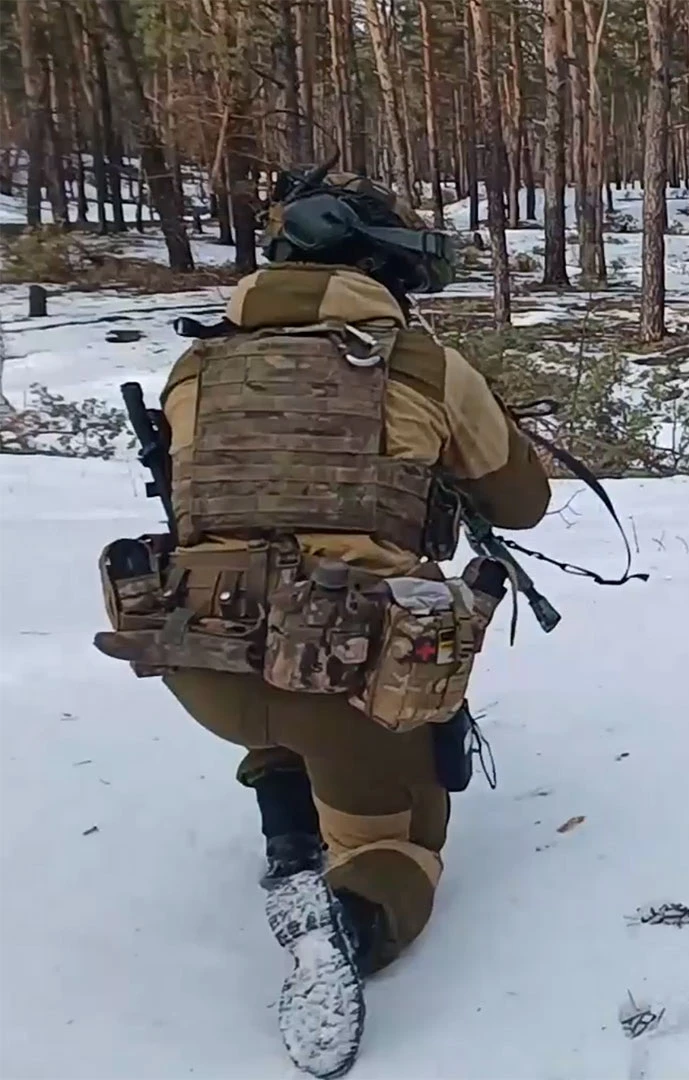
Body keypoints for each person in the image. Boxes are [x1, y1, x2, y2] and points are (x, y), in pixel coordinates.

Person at [95, 171, 550, 1077]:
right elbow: (523, 500)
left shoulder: (197, 364)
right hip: (352, 672)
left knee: (272, 701)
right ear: (384, 268)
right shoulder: (416, 360)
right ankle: (341, 919)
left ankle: (287, 834)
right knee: (395, 841)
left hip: (203, 660)